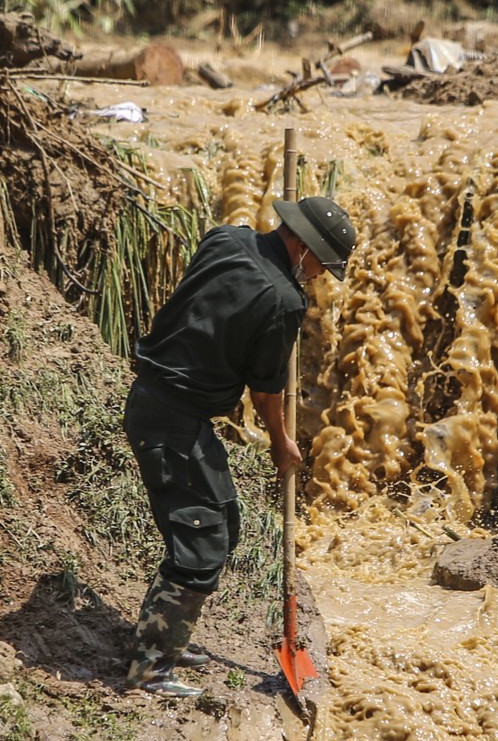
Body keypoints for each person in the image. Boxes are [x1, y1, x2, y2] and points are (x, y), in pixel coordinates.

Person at [121, 195, 357, 697]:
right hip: (173, 420)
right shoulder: (284, 301)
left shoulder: (226, 237)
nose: (317, 276)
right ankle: (150, 669)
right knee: (201, 544)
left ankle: (166, 635)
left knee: (222, 519)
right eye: (320, 264)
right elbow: (267, 390)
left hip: (155, 399)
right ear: (302, 246)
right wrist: (281, 441)